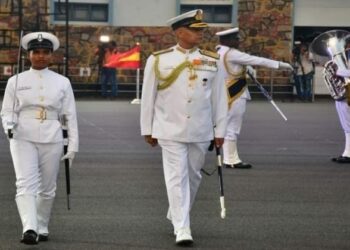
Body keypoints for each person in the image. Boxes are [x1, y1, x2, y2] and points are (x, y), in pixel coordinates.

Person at [140, 9, 227, 246]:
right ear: (180, 32)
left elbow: (219, 99)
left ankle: (176, 212)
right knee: (176, 177)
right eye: (194, 30)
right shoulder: (159, 59)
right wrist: (147, 128)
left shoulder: (212, 60)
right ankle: (182, 227)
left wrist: (220, 131)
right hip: (169, 128)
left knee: (193, 176)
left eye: (201, 30)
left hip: (200, 129)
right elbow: (148, 96)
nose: (200, 33)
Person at [0, 31, 79, 244]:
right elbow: (7, 110)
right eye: (36, 52)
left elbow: (70, 115)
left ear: (51, 56)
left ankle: (42, 224)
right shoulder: (16, 81)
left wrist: (73, 144)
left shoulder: (62, 82)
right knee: (25, 183)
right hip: (22, 135)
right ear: (29, 55)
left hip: (52, 136)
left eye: (45, 52)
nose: (41, 56)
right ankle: (30, 228)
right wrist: (8, 124)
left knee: (47, 186)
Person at [215, 27, 293, 169]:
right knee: (232, 127)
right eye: (235, 38)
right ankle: (231, 160)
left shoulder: (218, 52)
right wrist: (280, 65)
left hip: (223, 94)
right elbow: (257, 60)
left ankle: (229, 158)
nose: (238, 40)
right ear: (227, 40)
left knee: (227, 127)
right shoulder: (232, 53)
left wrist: (246, 68)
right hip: (235, 95)